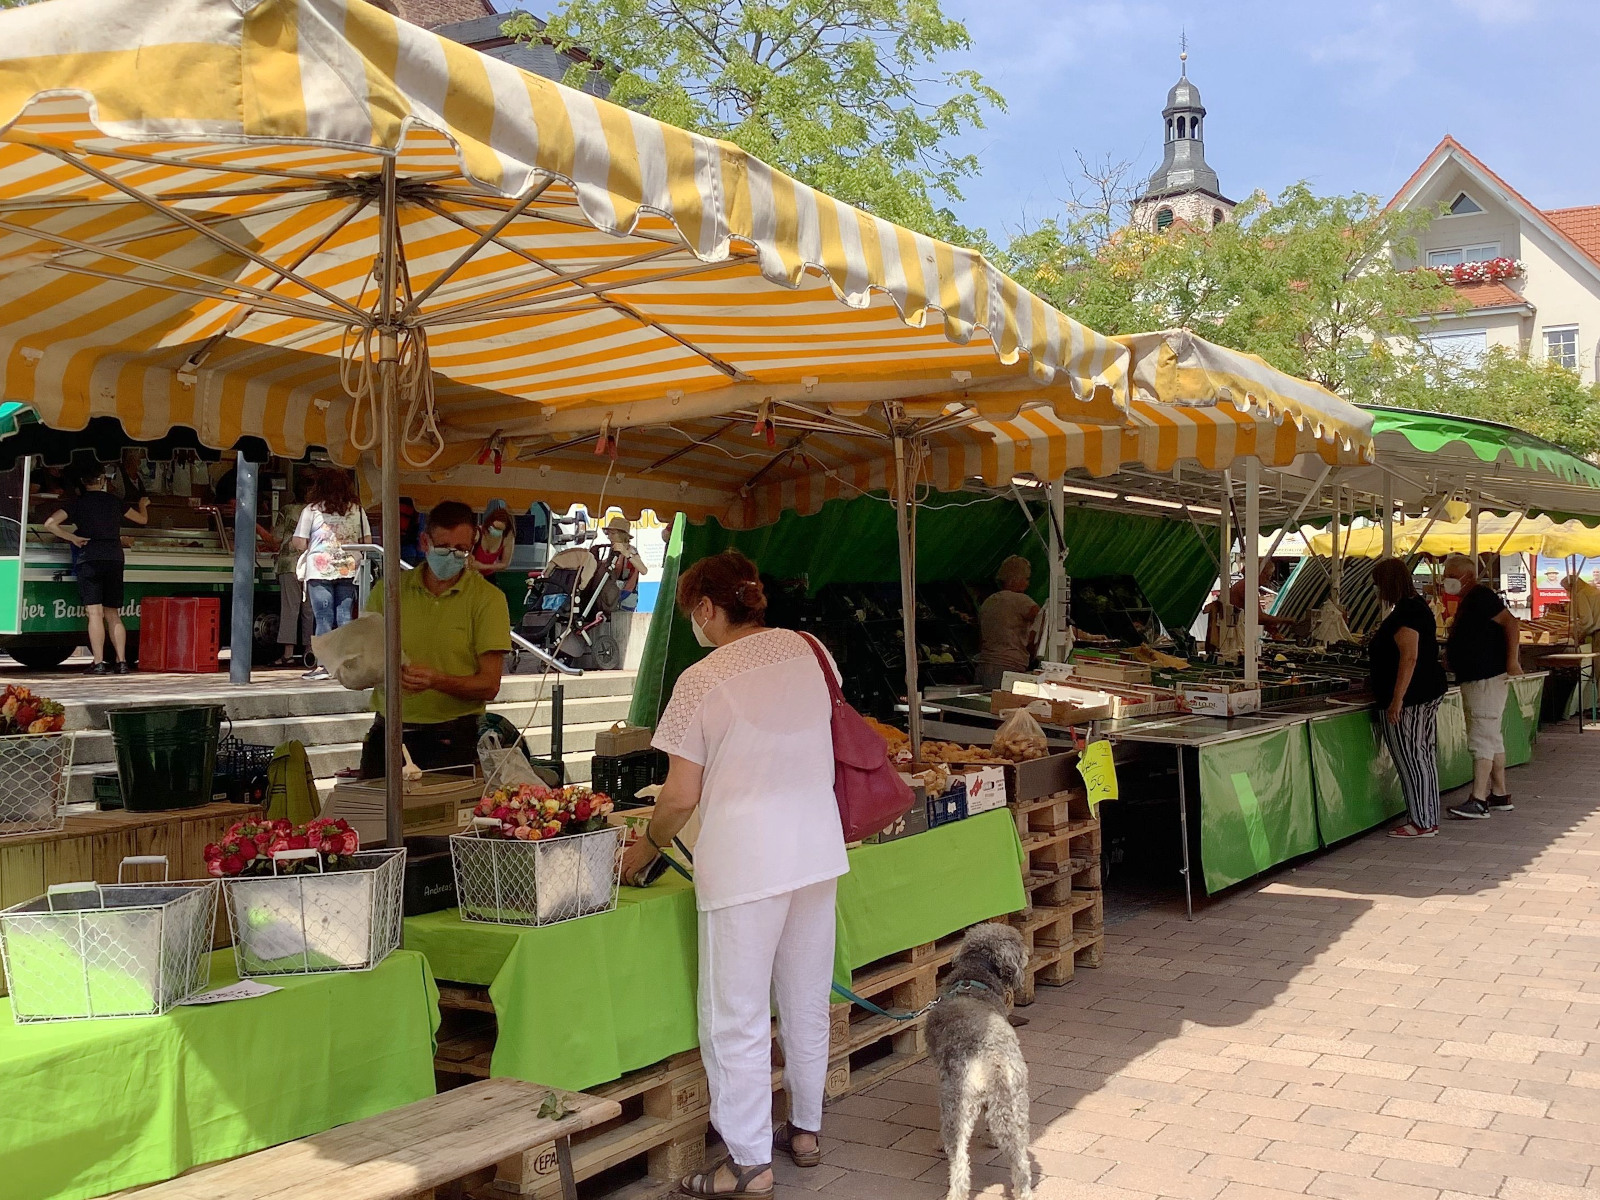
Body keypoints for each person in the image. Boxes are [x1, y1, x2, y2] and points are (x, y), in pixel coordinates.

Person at [620, 550, 847, 1200]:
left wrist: (647, 848)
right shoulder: (812, 651)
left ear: (708, 608)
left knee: (736, 1017)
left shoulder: (702, 679)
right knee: (805, 997)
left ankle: (748, 1163)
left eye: (695, 610)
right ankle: (804, 1130)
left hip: (747, 862)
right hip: (816, 849)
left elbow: (678, 796)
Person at [358, 501, 513, 777]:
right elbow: (364, 656)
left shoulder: (488, 599)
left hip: (452, 739)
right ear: (424, 542)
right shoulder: (390, 590)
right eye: (443, 548)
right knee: (373, 818)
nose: (452, 556)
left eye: (461, 550)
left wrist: (437, 681)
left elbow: (489, 684)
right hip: (388, 734)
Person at [41, 464, 149, 674]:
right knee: (113, 614)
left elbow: (50, 523)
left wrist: (72, 537)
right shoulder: (114, 501)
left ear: (84, 482)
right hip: (114, 558)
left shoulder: (77, 503)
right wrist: (144, 504)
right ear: (102, 481)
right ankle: (122, 662)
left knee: (94, 613)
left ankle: (98, 663)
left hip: (89, 558)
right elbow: (142, 520)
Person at [1369, 558, 1448, 838]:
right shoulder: (1416, 607)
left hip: (1413, 697)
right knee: (1422, 756)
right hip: (1426, 691)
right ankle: (1426, 816)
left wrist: (1397, 700)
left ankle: (1421, 821)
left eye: (1379, 585)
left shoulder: (1406, 614)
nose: (1378, 591)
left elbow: (1409, 657)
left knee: (1411, 758)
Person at [1441, 553, 1521, 820]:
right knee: (1492, 737)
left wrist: (1512, 660)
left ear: (1467, 576)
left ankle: (1478, 799)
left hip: (1485, 679)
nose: (1446, 581)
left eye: (1450, 576)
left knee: (1481, 738)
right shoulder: (1469, 600)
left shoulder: (1482, 597)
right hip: (1479, 677)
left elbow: (1511, 623)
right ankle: (1499, 794)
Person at [291, 469, 370, 680]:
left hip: (320, 568)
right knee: (345, 617)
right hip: (349, 568)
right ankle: (344, 665)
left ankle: (324, 666)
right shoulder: (358, 511)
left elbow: (299, 542)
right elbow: (367, 540)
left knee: (323, 618)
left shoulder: (311, 510)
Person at [975, 556, 1040, 691]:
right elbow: (1042, 619)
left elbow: (981, 637)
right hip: (1008, 668)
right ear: (1015, 579)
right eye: (1026, 579)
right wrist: (1033, 645)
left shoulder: (989, 601)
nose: (1027, 584)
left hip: (983, 667)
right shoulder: (1021, 600)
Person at [271, 475, 314, 667]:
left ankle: (288, 653)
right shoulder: (319, 510)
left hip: (289, 564)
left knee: (290, 608)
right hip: (313, 563)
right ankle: (310, 651)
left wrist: (253, 526)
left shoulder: (287, 510)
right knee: (309, 609)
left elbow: (275, 538)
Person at [470, 505, 515, 576]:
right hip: (471, 575)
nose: (496, 531)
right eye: (495, 527)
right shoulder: (478, 533)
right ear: (490, 523)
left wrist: (482, 566)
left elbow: (505, 564)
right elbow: (466, 556)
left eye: (500, 529)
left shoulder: (507, 538)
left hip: (489, 575)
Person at [1560, 572, 1600, 648]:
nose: (1566, 593)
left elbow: (1587, 621)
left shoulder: (1581, 594)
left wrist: (1577, 636)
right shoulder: (1590, 590)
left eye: (1566, 590)